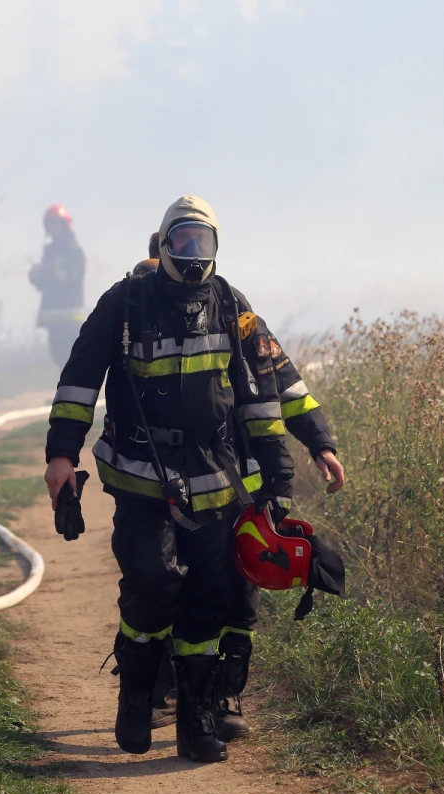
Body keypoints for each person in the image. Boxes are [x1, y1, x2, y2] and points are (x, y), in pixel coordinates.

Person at [45, 195, 317, 763]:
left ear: (216, 247)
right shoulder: (124, 304)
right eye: (182, 242)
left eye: (204, 243)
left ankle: (197, 716)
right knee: (150, 581)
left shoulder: (232, 307)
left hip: (215, 478)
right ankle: (138, 691)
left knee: (210, 597)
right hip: (142, 480)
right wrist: (62, 455)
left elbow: (266, 397)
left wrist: (288, 469)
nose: (193, 255)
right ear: (164, 243)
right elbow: (78, 381)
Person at [130, 229, 346, 739]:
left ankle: (223, 695)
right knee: (169, 585)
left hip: (238, 482)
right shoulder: (137, 304)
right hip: (168, 483)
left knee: (239, 591)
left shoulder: (234, 313)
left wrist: (320, 443)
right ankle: (164, 685)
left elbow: (284, 382)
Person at [29, 204, 87, 367]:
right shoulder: (50, 252)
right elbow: (47, 284)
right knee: (58, 356)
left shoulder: (73, 251)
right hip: (53, 316)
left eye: (56, 223)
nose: (53, 227)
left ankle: (78, 389)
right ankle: (68, 389)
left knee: (73, 356)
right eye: (50, 224)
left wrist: (46, 270)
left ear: (65, 225)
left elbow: (69, 278)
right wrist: (35, 276)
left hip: (70, 315)